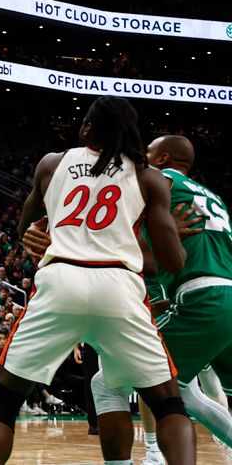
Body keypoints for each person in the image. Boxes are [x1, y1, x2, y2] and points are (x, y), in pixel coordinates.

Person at [0, 97, 195, 465]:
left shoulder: (52, 163)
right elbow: (172, 262)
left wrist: (33, 232)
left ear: (88, 128)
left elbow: (24, 229)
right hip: (119, 285)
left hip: (60, 278)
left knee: (4, 402)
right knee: (168, 403)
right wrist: (175, 234)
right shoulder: (149, 177)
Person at [87, 135, 232, 464]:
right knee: (185, 392)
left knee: (107, 382)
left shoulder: (156, 179)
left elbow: (113, 219)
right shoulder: (213, 196)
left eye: (149, 151)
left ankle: (145, 456)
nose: (143, 156)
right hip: (226, 296)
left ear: (162, 157)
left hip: (200, 298)